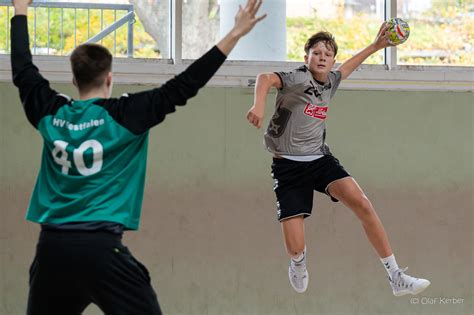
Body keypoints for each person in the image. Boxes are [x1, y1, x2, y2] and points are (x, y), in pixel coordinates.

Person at [10, 0, 266, 314]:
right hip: (101, 250)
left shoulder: (51, 112)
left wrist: (20, 10)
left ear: (74, 81)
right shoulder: (127, 114)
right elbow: (185, 84)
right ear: (109, 78)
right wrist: (234, 34)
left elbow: (23, 71)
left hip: (52, 250)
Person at [246, 24, 430, 295]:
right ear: (306, 57)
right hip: (288, 166)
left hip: (320, 159)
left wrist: (376, 46)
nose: (322, 56)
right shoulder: (297, 78)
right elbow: (265, 78)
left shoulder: (331, 81)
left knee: (363, 204)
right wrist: (259, 104)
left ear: (332, 61)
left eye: (328, 54)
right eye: (316, 52)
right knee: (296, 246)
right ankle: (298, 263)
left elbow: (350, 66)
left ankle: (396, 277)